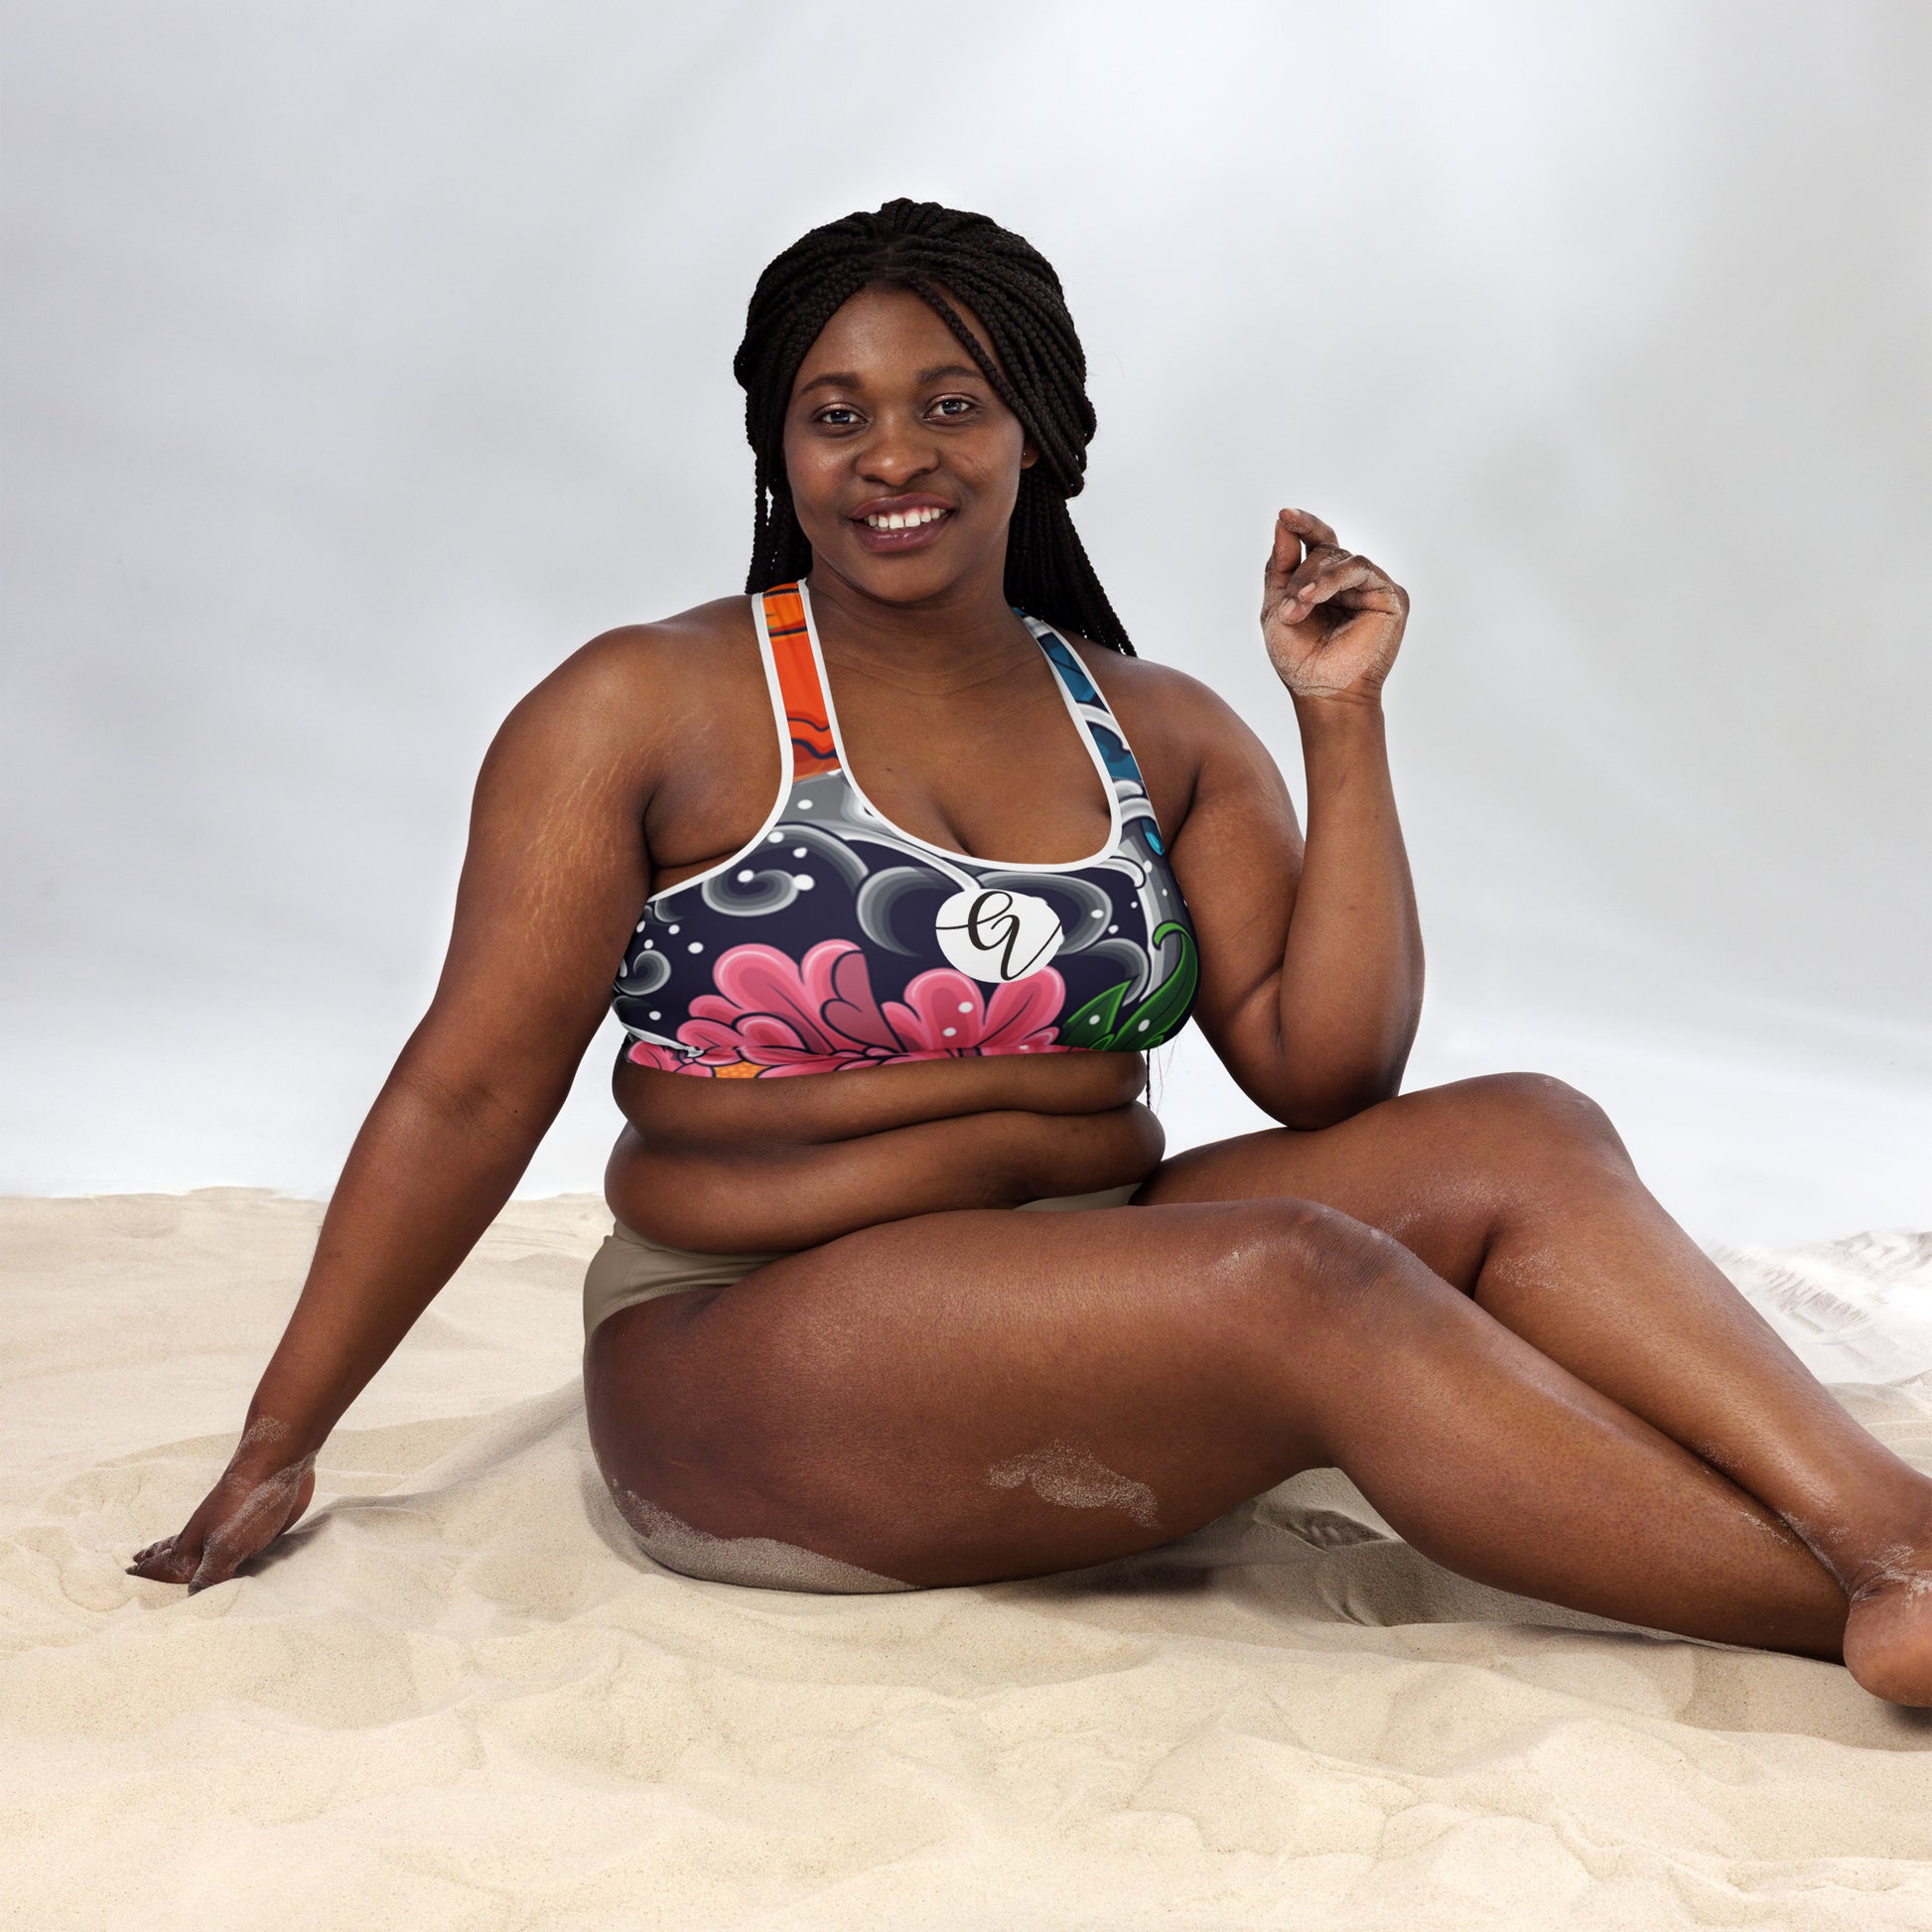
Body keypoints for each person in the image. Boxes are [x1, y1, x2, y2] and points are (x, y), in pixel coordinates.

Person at [129, 200, 1930, 1705]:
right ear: (776, 447)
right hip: (754, 1353)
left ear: (1037, 433)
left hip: (1090, 1290)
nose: (892, 457)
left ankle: (1894, 1541)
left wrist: (1338, 718)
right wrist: (284, 1435)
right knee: (1295, 1272)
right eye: (834, 414)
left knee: (1525, 1127)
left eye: (951, 404)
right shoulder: (641, 704)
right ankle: (1839, 1609)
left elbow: (1327, 1068)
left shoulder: (1153, 723)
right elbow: (466, 1089)